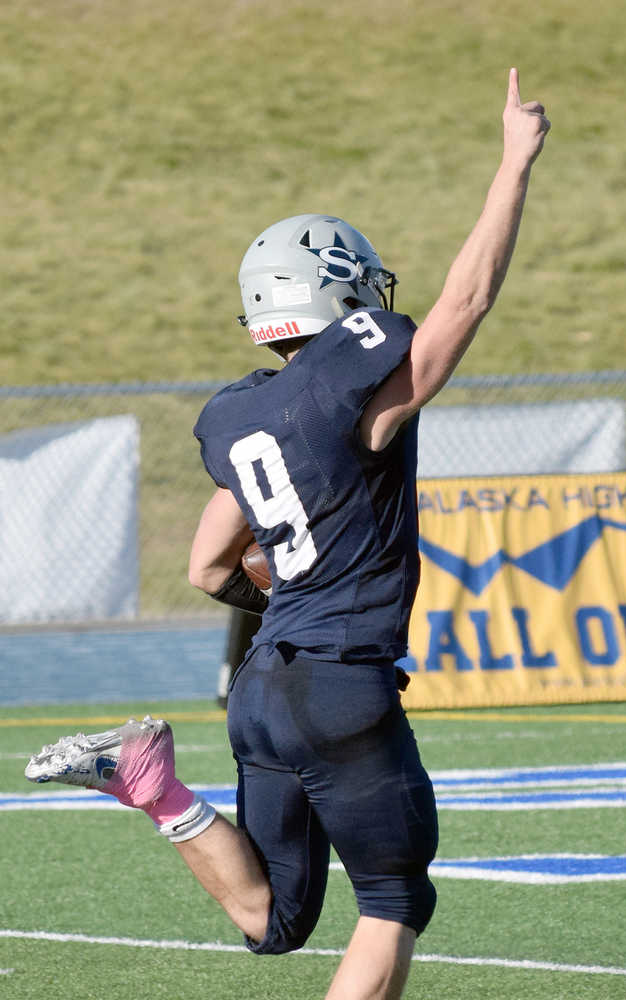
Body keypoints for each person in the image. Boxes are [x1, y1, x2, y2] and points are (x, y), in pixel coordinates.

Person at [26, 69, 549, 1000]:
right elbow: (465, 306)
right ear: (335, 295)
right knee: (392, 901)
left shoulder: (241, 413)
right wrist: (513, 164)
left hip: (263, 686)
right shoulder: (360, 394)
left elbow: (204, 564)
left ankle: (155, 787)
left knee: (275, 921)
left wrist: (275, 594)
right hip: (340, 682)